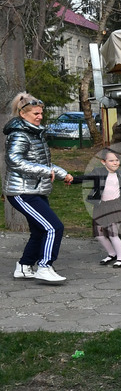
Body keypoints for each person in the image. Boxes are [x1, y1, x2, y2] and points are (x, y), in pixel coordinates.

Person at [4, 92, 74, 283]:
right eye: (36, 113)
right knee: (54, 227)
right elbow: (14, 161)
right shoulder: (19, 134)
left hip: (35, 190)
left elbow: (44, 163)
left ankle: (24, 266)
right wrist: (45, 170)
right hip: (22, 192)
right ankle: (45, 266)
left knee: (40, 230)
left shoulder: (35, 133)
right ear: (22, 114)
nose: (40, 117)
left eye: (41, 113)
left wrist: (63, 174)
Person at [73, 149, 121, 268]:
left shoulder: (120, 174)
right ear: (103, 162)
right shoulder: (98, 172)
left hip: (115, 206)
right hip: (100, 207)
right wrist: (70, 179)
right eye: (111, 161)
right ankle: (112, 254)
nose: (115, 163)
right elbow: (84, 178)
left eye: (117, 160)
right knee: (99, 234)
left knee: (113, 234)